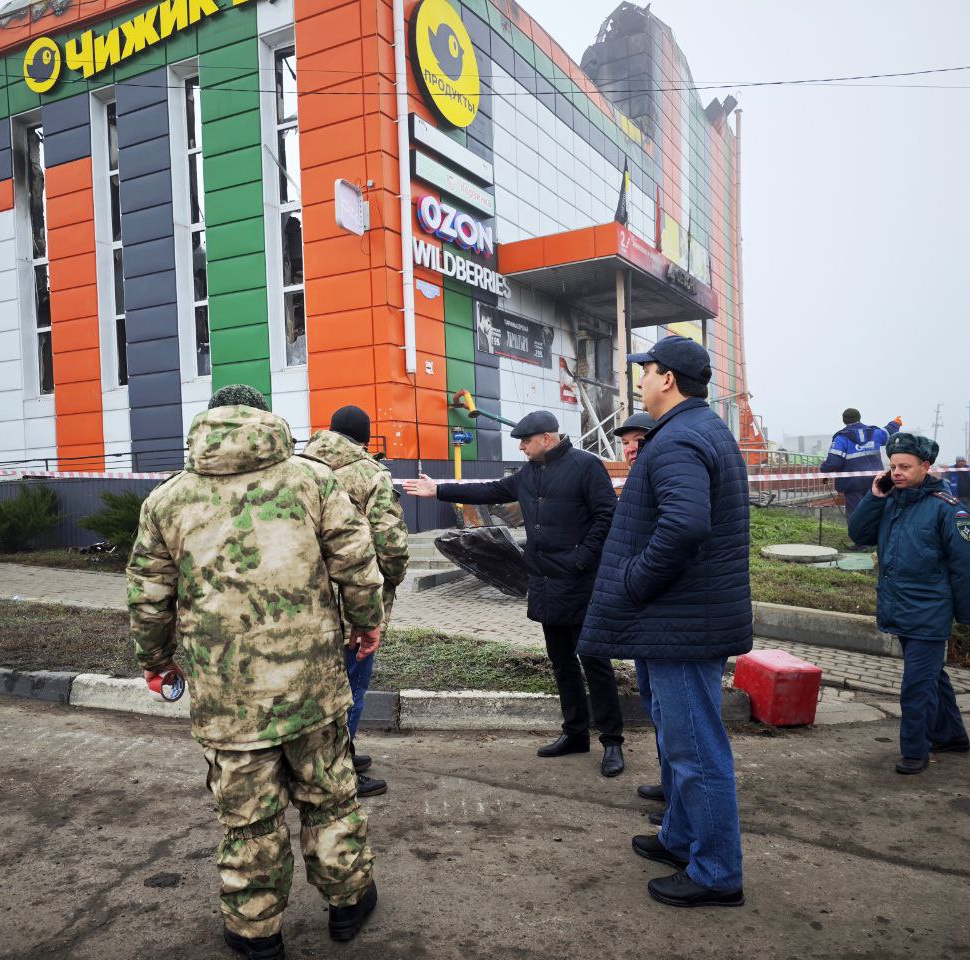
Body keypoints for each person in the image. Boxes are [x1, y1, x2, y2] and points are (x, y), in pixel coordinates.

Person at [127, 384, 385, 959]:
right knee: (330, 796)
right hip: (312, 683)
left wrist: (156, 660)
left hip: (228, 694)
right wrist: (366, 623)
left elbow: (149, 597)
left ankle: (256, 935)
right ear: (265, 418)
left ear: (210, 422)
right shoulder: (313, 480)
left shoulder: (167, 501)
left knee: (249, 818)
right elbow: (357, 561)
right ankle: (348, 905)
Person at [578, 335, 752, 909]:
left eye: (645, 370)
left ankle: (717, 871)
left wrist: (633, 580)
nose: (640, 380)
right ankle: (681, 838)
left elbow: (683, 526)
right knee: (682, 743)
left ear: (668, 379)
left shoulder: (678, 438)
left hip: (681, 621)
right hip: (681, 617)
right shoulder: (697, 430)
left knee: (695, 750)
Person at [403, 411, 625, 777]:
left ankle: (612, 741)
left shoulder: (586, 466)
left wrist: (582, 559)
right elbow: (489, 491)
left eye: (525, 441)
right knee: (561, 661)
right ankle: (575, 733)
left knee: (594, 661)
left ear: (547, 439)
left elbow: (606, 516)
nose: (520, 447)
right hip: (544, 580)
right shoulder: (528, 473)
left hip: (581, 581)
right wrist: (439, 490)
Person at [848, 432, 970, 776]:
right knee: (932, 676)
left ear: (926, 466)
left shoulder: (948, 510)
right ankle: (951, 735)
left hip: (929, 611)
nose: (896, 472)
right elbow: (859, 535)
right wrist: (875, 496)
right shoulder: (892, 501)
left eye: (905, 466)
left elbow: (966, 567)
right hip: (901, 606)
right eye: (893, 466)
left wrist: (967, 615)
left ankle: (915, 751)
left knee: (916, 685)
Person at [302, 405, 410, 799]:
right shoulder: (369, 474)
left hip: (301, 602)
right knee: (352, 684)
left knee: (314, 686)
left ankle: (328, 756)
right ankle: (339, 769)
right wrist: (391, 582)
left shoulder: (297, 466)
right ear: (365, 439)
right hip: (354, 602)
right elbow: (391, 542)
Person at [613, 411, 664, 810]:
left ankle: (680, 798)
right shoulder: (640, 478)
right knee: (654, 703)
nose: (631, 449)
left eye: (638, 441)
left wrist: (634, 578)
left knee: (676, 716)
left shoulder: (662, 477)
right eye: (626, 443)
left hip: (665, 616)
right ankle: (673, 786)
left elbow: (675, 536)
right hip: (645, 613)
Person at [820, 407, 902, 515]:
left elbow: (833, 462)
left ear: (844, 420)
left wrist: (823, 469)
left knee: (856, 516)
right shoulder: (874, 433)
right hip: (876, 482)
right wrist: (896, 423)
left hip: (853, 485)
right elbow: (888, 431)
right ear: (859, 418)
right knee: (876, 514)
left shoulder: (841, 438)